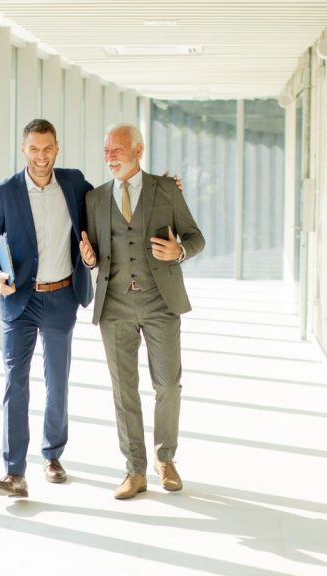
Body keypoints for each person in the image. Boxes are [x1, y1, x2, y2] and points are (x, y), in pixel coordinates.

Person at [78, 122, 205, 500]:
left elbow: (195, 237)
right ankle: (134, 470)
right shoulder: (95, 199)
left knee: (167, 384)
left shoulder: (166, 189)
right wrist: (88, 260)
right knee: (124, 390)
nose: (110, 156)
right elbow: (94, 251)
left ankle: (165, 460)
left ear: (138, 150)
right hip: (114, 305)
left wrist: (179, 251)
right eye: (106, 150)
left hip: (160, 302)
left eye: (117, 149)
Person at [0, 119, 94, 498]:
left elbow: (109, 206)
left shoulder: (74, 184)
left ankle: (53, 455)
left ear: (56, 148)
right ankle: (14, 472)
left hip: (61, 297)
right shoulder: (6, 192)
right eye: (34, 149)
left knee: (57, 381)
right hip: (19, 301)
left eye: (47, 149)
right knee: (16, 382)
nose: (41, 156)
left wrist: (165, 189)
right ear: (23, 149)